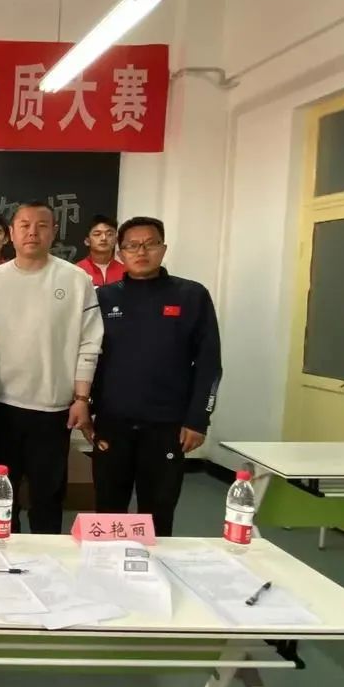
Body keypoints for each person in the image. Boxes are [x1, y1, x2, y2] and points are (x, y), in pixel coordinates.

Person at [0, 203, 103, 534]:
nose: (32, 232)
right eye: (24, 225)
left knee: (48, 498)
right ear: (11, 233)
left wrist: (82, 398)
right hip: (0, 408)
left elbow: (90, 342)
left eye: (41, 225)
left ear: (53, 232)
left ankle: (47, 559)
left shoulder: (76, 280)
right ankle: (0, 552)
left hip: (53, 410)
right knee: (1, 498)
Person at [91, 217, 222, 536]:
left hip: (167, 426)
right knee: (108, 512)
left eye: (150, 244)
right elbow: (88, 358)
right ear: (120, 253)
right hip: (113, 424)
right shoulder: (103, 298)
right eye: (132, 246)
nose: (141, 252)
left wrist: (198, 419)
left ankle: (156, 567)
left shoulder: (191, 295)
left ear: (163, 249)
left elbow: (209, 364)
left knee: (159, 515)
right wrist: (86, 404)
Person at [77, 214, 126, 287]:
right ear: (87, 241)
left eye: (109, 234)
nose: (104, 238)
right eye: (97, 234)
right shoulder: (77, 271)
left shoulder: (127, 273)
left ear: (116, 240)